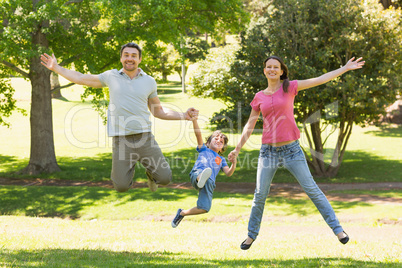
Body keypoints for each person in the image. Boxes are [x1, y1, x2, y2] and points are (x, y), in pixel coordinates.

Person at [228, 55, 365, 250]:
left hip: (292, 150)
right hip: (268, 152)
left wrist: (344, 68)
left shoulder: (290, 87)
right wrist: (237, 148)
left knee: (312, 190)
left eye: (276, 67)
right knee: (260, 194)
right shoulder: (259, 96)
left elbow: (319, 79)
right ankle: (251, 236)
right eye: (269, 67)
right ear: (264, 71)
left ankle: (338, 230)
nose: (272, 70)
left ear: (281, 71)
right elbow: (250, 124)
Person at [41, 42, 198, 192]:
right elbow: (81, 78)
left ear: (139, 59)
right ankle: (129, 173)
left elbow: (159, 111)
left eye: (134, 55)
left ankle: (151, 174)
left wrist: (184, 115)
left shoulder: (149, 81)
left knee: (164, 178)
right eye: (126, 55)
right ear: (121, 58)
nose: (130, 58)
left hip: (145, 137)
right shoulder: (111, 76)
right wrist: (56, 67)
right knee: (121, 186)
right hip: (121, 140)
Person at [171, 118, 237, 228]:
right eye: (216, 139)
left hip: (209, 183)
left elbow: (228, 173)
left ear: (222, 149)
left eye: (221, 142)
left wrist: (233, 164)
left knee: (204, 208)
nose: (218, 141)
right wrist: (194, 120)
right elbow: (198, 134)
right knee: (201, 173)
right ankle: (201, 178)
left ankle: (182, 213)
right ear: (207, 142)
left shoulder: (221, 159)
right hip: (197, 174)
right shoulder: (204, 149)